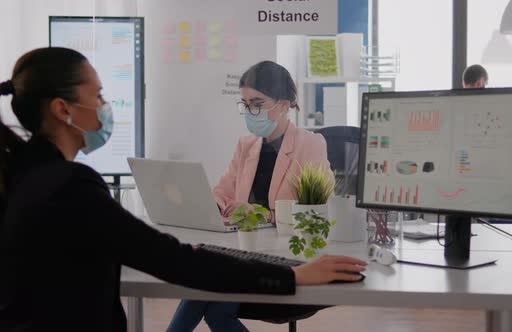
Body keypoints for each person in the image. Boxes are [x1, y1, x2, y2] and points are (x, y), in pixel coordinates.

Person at [0, 47, 367, 332]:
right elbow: (177, 252)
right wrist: (288, 271)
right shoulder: (68, 187)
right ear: (62, 108)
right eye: (97, 96)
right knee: (204, 291)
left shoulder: (19, 174)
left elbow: (308, 205)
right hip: (246, 251)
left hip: (280, 246)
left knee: (205, 296)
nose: (104, 106)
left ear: (284, 105)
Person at [167, 60, 334, 331]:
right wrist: (207, 205)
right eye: (245, 104)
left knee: (211, 301)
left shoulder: (310, 145)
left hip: (285, 257)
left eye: (256, 103)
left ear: (282, 105)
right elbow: (222, 191)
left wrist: (262, 214)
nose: (249, 111)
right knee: (211, 298)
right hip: (244, 252)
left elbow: (317, 210)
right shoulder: (246, 145)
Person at [462, 64, 512, 223]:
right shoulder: (490, 107)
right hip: (483, 185)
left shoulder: (459, 107)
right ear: (481, 82)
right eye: (485, 84)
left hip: (466, 183)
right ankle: (492, 228)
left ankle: (489, 227)